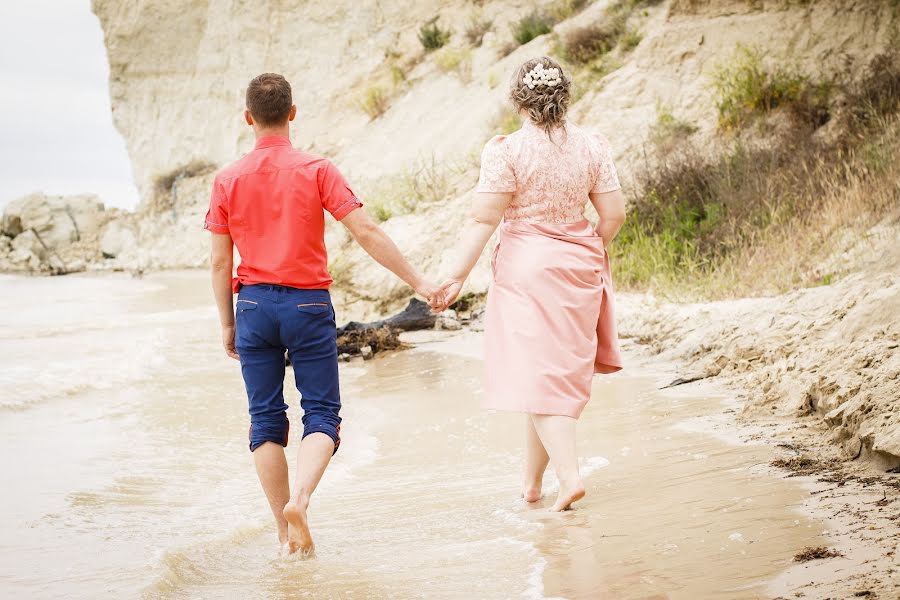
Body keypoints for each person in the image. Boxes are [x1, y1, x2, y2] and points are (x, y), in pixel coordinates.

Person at [204, 73, 440, 555]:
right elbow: (366, 231)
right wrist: (420, 283)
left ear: (248, 119)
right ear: (293, 113)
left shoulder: (227, 179)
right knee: (322, 414)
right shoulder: (317, 169)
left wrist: (227, 321)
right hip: (308, 304)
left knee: (265, 421)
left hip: (251, 303)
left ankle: (282, 531)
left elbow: (218, 260)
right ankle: (302, 500)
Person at [432, 57, 626, 512]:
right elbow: (613, 216)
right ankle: (532, 485)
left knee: (538, 378)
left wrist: (455, 275)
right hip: (580, 266)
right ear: (566, 95)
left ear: (519, 99)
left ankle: (569, 476)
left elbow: (484, 218)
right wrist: (587, 248)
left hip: (526, 270)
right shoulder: (593, 146)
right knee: (544, 377)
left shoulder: (506, 151)